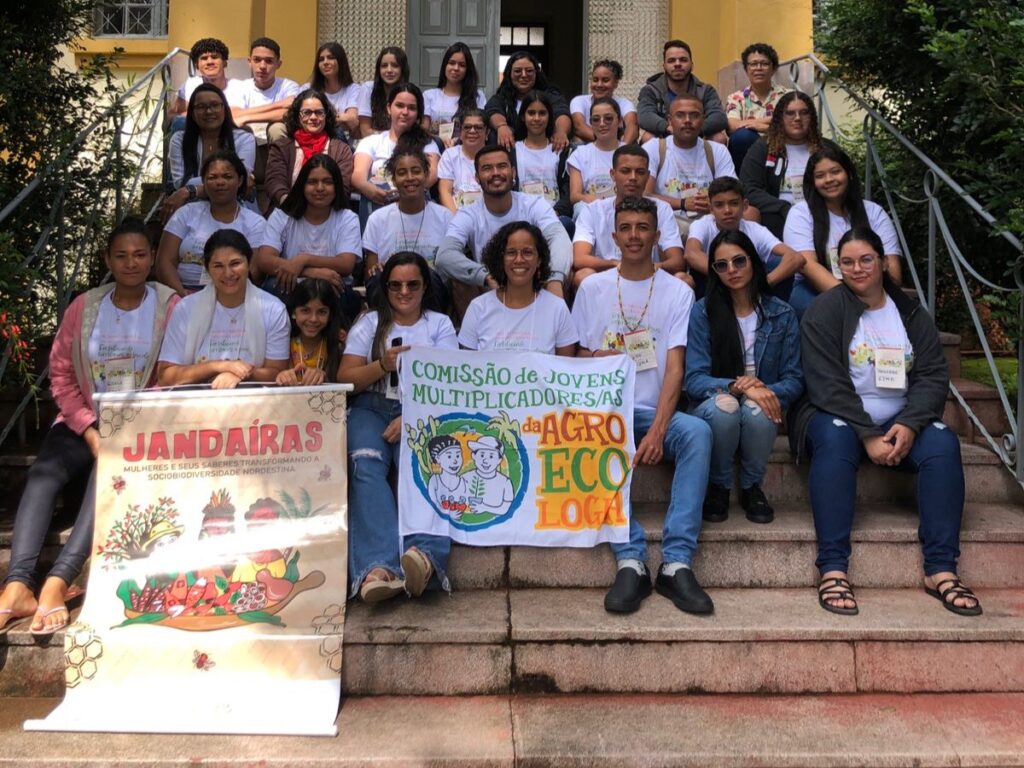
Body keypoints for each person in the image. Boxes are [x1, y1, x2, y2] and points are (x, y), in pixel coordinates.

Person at [0, 219, 179, 636]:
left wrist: (122, 429)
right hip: (83, 421)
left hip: (140, 425)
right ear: (107, 260)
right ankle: (16, 586)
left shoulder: (171, 306)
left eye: (139, 255)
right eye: (121, 255)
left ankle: (58, 582)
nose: (131, 263)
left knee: (108, 476)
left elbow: (174, 371)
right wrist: (88, 428)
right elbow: (60, 375)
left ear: (153, 258)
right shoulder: (85, 306)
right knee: (43, 477)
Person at [791, 226, 981, 617]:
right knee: (835, 441)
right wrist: (867, 434)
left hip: (900, 414)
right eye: (847, 262)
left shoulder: (910, 312)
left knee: (943, 442)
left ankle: (941, 568)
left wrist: (910, 424)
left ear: (882, 262)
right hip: (836, 414)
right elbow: (825, 384)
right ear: (837, 266)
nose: (857, 269)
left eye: (865, 260)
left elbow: (932, 374)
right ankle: (832, 568)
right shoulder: (824, 311)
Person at [572, 197, 714, 616]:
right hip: (605, 413)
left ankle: (676, 561)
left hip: (652, 412)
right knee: (592, 434)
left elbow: (675, 369)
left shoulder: (677, 292)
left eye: (642, 228)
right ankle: (630, 558)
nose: (634, 236)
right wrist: (593, 359)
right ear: (613, 235)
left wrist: (657, 431)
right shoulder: (591, 288)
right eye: (626, 227)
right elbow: (575, 361)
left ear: (656, 235)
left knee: (698, 432)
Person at [338, 252, 458, 602]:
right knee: (365, 462)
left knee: (424, 462)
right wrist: (382, 364)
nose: (404, 292)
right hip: (371, 407)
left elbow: (449, 382)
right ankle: (377, 568)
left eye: (413, 284)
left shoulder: (439, 325)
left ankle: (426, 558)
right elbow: (346, 379)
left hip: (422, 410)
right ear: (385, 288)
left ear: (425, 287)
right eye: (395, 285)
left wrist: (413, 417)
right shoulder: (369, 323)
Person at [685, 229, 803, 524]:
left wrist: (762, 390)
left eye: (739, 261)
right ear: (713, 271)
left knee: (759, 408)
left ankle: (752, 485)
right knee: (726, 407)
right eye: (721, 265)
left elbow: (794, 378)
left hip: (762, 399)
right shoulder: (703, 312)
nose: (732, 270)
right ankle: (720, 484)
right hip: (719, 399)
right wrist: (737, 387)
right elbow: (694, 379)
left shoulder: (782, 313)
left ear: (754, 262)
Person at [435, 145, 572, 312]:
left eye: (502, 166)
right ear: (477, 178)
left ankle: (553, 330)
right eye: (487, 168)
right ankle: (473, 336)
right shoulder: (468, 214)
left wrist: (554, 279)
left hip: (531, 283)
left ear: (513, 172)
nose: (495, 173)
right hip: (490, 288)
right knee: (459, 280)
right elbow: (444, 256)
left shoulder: (534, 204)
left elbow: (559, 238)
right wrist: (485, 276)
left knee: (564, 272)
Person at [158, 229, 290, 389]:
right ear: (207, 269)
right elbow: (166, 376)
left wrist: (241, 374)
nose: (228, 273)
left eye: (235, 263)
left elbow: (277, 372)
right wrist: (218, 366)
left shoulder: (273, 309)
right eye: (218, 266)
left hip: (252, 401)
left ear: (249, 264)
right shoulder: (186, 308)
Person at [783, 144, 902, 318]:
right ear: (812, 182)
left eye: (835, 171)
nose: (829, 179)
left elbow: (893, 273)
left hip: (871, 289)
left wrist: (870, 297)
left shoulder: (874, 213)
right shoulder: (801, 213)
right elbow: (807, 265)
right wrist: (851, 301)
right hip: (816, 289)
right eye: (820, 176)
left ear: (849, 174)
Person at [256, 154, 362, 321]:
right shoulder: (282, 215)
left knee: (339, 291)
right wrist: (313, 272)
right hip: (293, 285)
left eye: (327, 182)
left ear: (337, 186)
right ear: (301, 185)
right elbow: (264, 259)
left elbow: (346, 264)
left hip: (331, 287)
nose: (320, 188)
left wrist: (303, 259)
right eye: (312, 182)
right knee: (272, 287)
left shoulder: (347, 217)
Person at [158, 150, 269, 296]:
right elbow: (164, 261)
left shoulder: (255, 223)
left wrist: (217, 300)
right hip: (182, 294)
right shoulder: (187, 213)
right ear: (203, 182)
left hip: (231, 296)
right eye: (212, 177)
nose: (220, 182)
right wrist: (182, 295)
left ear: (240, 180)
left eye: (227, 176)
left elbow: (254, 271)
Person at [572, 145, 685, 288]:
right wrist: (618, 265)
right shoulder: (592, 210)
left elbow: (677, 261)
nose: (633, 178)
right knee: (583, 276)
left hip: (650, 278)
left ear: (648, 176)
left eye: (640, 172)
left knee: (683, 279)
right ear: (613, 174)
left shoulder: (661, 209)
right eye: (625, 171)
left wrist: (647, 269)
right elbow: (580, 259)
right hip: (607, 279)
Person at [459, 221, 578, 355]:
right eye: (511, 252)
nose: (519, 259)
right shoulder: (478, 309)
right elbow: (467, 369)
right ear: (501, 258)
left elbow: (564, 369)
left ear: (539, 259)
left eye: (527, 252)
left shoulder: (557, 309)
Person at [684, 177, 804, 300]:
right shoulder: (702, 225)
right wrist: (728, 276)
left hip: (751, 292)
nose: (727, 210)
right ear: (711, 209)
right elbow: (691, 254)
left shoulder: (755, 230)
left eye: (734, 203)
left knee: (779, 263)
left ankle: (771, 314)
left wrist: (763, 283)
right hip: (713, 290)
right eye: (719, 205)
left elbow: (796, 258)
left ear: (745, 205)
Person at [363, 147, 453, 308]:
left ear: (426, 175)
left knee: (427, 275)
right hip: (392, 291)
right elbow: (370, 271)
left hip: (431, 291)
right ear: (394, 179)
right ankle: (384, 327)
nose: (410, 178)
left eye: (416, 171)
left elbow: (450, 268)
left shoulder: (445, 217)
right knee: (379, 277)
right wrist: (379, 268)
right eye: (402, 173)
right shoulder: (377, 219)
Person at [740, 91, 837, 239]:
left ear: (811, 117)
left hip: (823, 215)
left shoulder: (827, 148)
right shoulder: (763, 147)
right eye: (790, 113)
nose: (797, 118)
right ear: (780, 118)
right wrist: (783, 207)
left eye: (804, 113)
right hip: (779, 219)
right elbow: (749, 188)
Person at [643, 95, 736, 237]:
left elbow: (731, 193)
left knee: (750, 213)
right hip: (668, 222)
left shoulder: (717, 150)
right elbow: (645, 195)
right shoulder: (655, 148)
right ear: (669, 120)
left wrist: (711, 202)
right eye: (680, 115)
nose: (687, 121)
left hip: (710, 222)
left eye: (694, 115)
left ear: (703, 119)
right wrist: (682, 203)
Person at [164, 84, 256, 222]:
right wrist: (227, 181)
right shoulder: (179, 140)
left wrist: (190, 190)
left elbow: (240, 183)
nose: (209, 111)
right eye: (201, 107)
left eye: (214, 105)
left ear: (224, 109)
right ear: (192, 114)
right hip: (192, 207)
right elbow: (180, 183)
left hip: (237, 206)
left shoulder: (244, 139)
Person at [352, 83, 440, 227]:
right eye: (399, 105)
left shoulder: (428, 143)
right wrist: (372, 191)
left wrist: (402, 193)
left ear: (418, 113)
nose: (405, 112)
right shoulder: (372, 141)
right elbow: (358, 176)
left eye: (411, 108)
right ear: (388, 108)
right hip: (377, 202)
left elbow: (431, 174)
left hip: (413, 202)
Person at [264, 89, 355, 209]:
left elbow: (343, 187)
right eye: (306, 112)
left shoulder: (341, 150)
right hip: (288, 211)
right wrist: (291, 205)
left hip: (328, 214)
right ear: (297, 116)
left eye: (319, 112)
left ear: (326, 116)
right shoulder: (282, 147)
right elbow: (274, 182)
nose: (313, 117)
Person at [637, 40, 727, 142]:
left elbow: (719, 117)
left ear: (692, 65)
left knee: (719, 138)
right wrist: (668, 128)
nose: (677, 64)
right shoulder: (651, 90)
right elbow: (644, 116)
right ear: (664, 66)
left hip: (697, 137)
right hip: (665, 136)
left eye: (683, 60)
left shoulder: (705, 91)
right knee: (648, 137)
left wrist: (696, 129)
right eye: (671, 61)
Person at [485, 51, 572, 152]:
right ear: (509, 74)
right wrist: (502, 126)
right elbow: (493, 110)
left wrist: (561, 132)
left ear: (536, 73)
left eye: (529, 71)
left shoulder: (550, 95)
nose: (524, 75)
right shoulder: (501, 98)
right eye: (517, 71)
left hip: (546, 150)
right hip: (511, 153)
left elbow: (561, 112)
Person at [725, 43, 790, 170]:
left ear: (773, 68)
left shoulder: (788, 96)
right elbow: (732, 126)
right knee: (741, 136)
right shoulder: (736, 98)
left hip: (781, 150)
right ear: (746, 69)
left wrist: (758, 126)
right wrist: (771, 122)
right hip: (748, 153)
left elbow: (791, 125)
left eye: (764, 64)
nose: (758, 68)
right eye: (753, 64)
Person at [512, 90, 573, 227]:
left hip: (555, 216)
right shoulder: (513, 150)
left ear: (549, 116)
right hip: (519, 216)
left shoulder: (561, 150)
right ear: (523, 116)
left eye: (542, 113)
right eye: (531, 113)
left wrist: (556, 212)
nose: (537, 118)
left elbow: (568, 188)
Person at [275, 278, 344, 387]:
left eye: (322, 312)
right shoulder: (282, 341)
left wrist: (325, 378)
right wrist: (280, 376)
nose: (313, 319)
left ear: (330, 315)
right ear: (294, 312)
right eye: (305, 311)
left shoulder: (338, 344)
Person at [231, 38, 301, 143]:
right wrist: (280, 104)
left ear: (278, 64)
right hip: (248, 142)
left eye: (269, 61)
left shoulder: (288, 86)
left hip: (276, 144)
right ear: (249, 62)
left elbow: (289, 113)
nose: (262, 66)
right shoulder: (241, 87)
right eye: (257, 60)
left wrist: (246, 118)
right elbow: (234, 115)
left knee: (277, 128)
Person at [567, 97, 625, 217]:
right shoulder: (579, 154)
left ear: (619, 121)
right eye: (596, 119)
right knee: (581, 208)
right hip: (592, 212)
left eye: (608, 118)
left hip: (624, 210)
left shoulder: (630, 152)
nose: (602, 124)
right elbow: (575, 195)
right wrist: (603, 205)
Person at [422, 42, 487, 146]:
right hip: (434, 147)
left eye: (462, 65)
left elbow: (480, 128)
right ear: (445, 66)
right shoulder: (429, 96)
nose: (456, 68)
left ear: (467, 70)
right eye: (451, 63)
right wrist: (440, 141)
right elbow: (424, 130)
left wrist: (458, 140)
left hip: (466, 147)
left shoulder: (477, 96)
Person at [171, 37, 246, 117]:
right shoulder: (191, 85)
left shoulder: (239, 87)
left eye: (214, 57)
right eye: (204, 58)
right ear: (197, 65)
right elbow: (172, 116)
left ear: (225, 63)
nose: (209, 62)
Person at [570, 59, 639, 145]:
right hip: (590, 148)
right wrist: (607, 142)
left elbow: (632, 127)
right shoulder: (579, 101)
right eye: (595, 80)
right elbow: (579, 128)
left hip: (617, 149)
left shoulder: (625, 104)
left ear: (616, 83)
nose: (599, 85)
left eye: (605, 80)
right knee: (578, 141)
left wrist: (621, 150)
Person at [304, 42, 360, 139]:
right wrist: (339, 118)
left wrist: (320, 117)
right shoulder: (307, 89)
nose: (325, 62)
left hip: (340, 143)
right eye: (321, 59)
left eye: (331, 57)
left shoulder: (353, 89)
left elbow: (352, 120)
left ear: (341, 61)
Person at [437, 108, 486, 213]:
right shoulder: (450, 155)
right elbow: (444, 192)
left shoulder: (494, 156)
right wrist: (457, 222)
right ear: (461, 131)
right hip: (457, 216)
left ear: (487, 132)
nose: (472, 131)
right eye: (467, 127)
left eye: (478, 127)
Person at [358, 46, 410, 136]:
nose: (389, 70)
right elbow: (365, 132)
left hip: (401, 145)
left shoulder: (409, 93)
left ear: (402, 69)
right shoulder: (368, 88)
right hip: (373, 144)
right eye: (384, 66)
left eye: (395, 65)